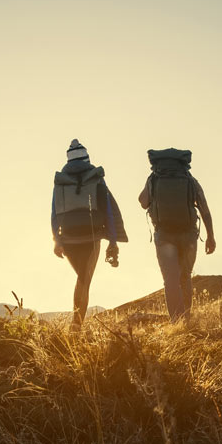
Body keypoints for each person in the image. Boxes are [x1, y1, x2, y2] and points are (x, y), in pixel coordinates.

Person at [50, 139, 127, 328]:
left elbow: (54, 212)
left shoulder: (61, 181)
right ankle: (76, 325)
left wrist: (56, 240)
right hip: (92, 237)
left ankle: (76, 324)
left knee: (82, 278)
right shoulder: (96, 178)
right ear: (87, 158)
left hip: (68, 239)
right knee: (84, 279)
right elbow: (108, 209)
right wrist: (113, 240)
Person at [137, 148, 215, 321]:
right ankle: (186, 318)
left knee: (170, 280)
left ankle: (176, 321)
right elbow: (205, 209)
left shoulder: (154, 179)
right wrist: (210, 236)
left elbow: (143, 202)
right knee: (185, 276)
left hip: (164, 235)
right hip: (188, 235)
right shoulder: (189, 179)